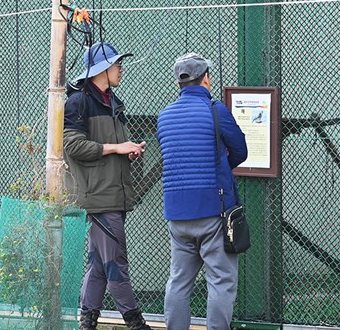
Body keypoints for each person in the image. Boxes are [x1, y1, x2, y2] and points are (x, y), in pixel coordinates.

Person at [63, 42, 152, 330]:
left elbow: (107, 147)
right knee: (116, 263)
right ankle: (135, 323)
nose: (121, 68)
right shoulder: (79, 101)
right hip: (98, 197)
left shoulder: (113, 101)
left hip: (114, 194)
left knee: (99, 265)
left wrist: (128, 150)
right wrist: (116, 148)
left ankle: (87, 323)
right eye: (117, 64)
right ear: (102, 68)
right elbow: (73, 146)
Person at [156, 53, 248, 330]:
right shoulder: (215, 109)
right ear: (206, 78)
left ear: (179, 83)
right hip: (213, 211)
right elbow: (240, 151)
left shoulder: (165, 115)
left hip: (177, 215)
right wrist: (220, 168)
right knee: (221, 280)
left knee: (179, 281)